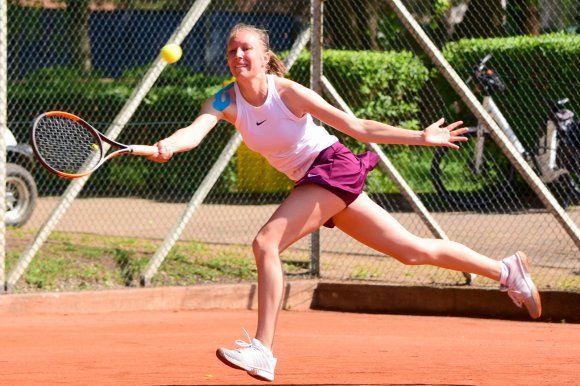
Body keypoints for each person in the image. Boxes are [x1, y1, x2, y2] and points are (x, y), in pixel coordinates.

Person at [148, 23, 542, 382]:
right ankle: (506, 271)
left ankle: (263, 350)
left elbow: (357, 127)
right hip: (313, 179)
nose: (238, 57)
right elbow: (195, 132)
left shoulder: (287, 93)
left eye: (246, 49)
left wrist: (419, 137)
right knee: (412, 251)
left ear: (266, 56)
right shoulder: (224, 101)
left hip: (331, 166)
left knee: (266, 243)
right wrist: (169, 145)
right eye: (232, 51)